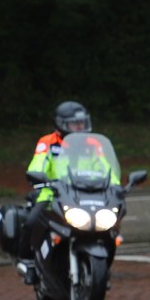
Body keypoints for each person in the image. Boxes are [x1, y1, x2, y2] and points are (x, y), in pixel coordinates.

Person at [18, 100, 92, 283]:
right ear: (61, 125)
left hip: (84, 194)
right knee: (31, 222)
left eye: (82, 123)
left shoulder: (92, 144)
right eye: (75, 124)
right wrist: (38, 175)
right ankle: (27, 262)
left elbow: (106, 168)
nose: (80, 127)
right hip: (52, 194)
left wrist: (114, 185)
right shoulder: (48, 142)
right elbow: (38, 163)